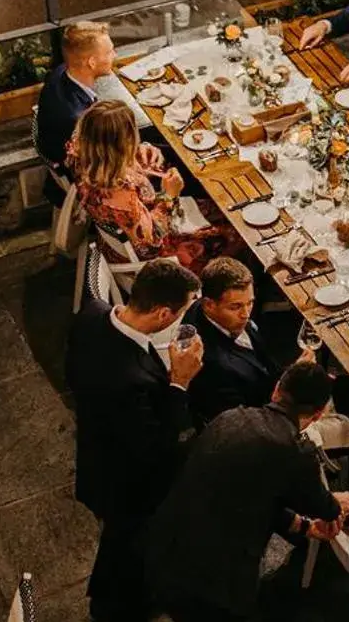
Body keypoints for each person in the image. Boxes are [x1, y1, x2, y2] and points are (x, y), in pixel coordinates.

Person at [144, 362, 349, 622]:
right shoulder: (294, 451)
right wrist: (333, 506)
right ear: (318, 415)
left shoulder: (230, 419)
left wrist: (298, 525)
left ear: (278, 389)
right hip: (209, 580)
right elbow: (321, 503)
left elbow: (248, 493)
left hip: (166, 548)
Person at [66, 258, 204, 622]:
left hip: (97, 457)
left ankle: (102, 600)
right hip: (128, 485)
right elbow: (157, 447)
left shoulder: (91, 316)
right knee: (136, 559)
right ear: (164, 314)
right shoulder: (128, 381)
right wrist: (179, 383)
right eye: (180, 313)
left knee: (117, 545)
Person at [71, 100, 238, 272]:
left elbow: (107, 152)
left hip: (119, 237)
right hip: (151, 261)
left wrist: (139, 152)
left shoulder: (78, 153)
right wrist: (169, 196)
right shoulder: (120, 195)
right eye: (131, 136)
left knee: (216, 206)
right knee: (234, 228)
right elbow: (152, 245)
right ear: (120, 144)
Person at [35, 21, 166, 191]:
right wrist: (141, 151)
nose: (115, 55)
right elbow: (106, 166)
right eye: (110, 51)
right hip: (93, 180)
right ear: (91, 62)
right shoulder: (79, 120)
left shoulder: (61, 72)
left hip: (85, 153)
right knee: (175, 161)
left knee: (156, 139)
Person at [186, 257, 287, 422]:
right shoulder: (211, 366)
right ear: (209, 305)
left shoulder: (205, 307)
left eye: (250, 303)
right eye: (235, 307)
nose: (246, 314)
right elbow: (246, 422)